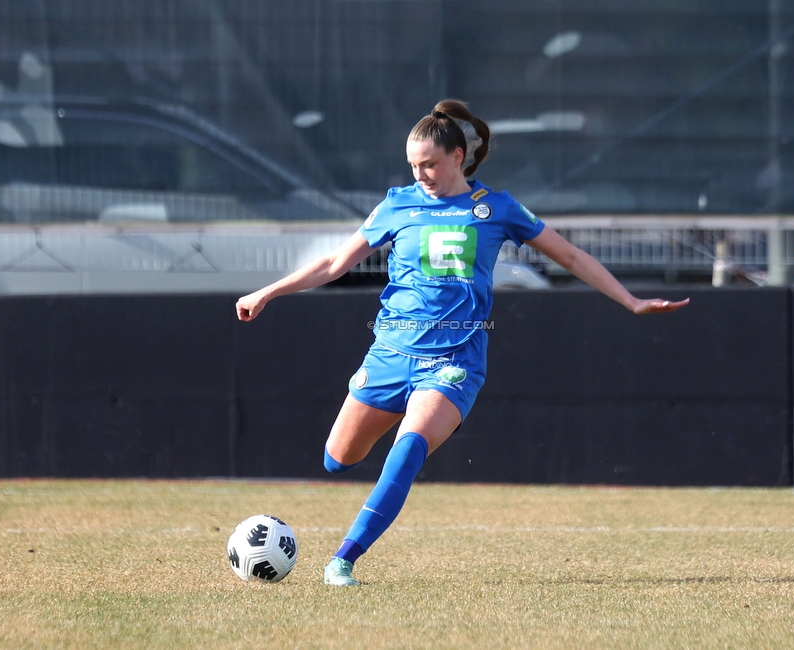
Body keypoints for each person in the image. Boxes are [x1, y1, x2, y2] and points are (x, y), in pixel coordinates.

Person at [236, 99, 689, 587]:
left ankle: (343, 559)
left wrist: (631, 300)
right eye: (413, 165)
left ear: (458, 156)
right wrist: (269, 290)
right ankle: (395, 411)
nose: (420, 174)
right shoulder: (397, 203)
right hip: (390, 352)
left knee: (408, 448)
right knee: (337, 458)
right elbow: (333, 264)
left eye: (429, 163)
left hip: (454, 361)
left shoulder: (496, 208)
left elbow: (572, 257)